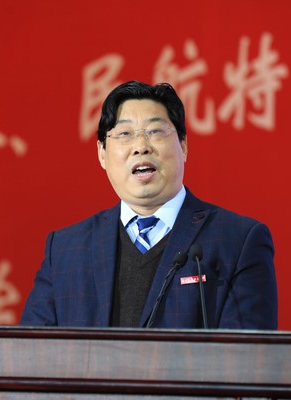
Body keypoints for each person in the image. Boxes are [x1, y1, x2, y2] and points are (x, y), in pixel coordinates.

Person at [20, 80, 277, 329]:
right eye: (124, 134)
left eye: (155, 131)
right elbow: (30, 351)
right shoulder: (66, 249)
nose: (141, 147)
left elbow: (248, 354)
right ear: (102, 154)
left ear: (184, 146)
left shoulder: (238, 241)